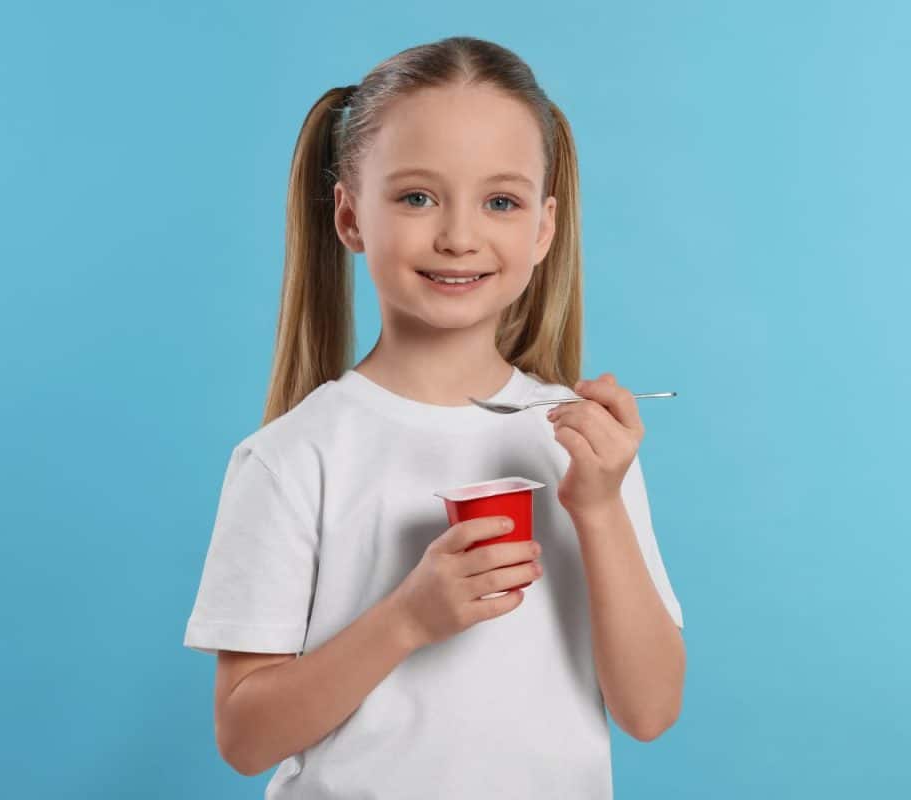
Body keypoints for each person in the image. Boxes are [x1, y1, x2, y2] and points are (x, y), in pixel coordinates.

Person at [182, 35, 686, 799]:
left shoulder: (584, 451)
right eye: (417, 196)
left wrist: (599, 507)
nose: (458, 235)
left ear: (543, 230)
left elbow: (650, 712)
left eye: (501, 201)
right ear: (350, 218)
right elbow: (245, 738)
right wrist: (407, 620)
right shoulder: (294, 457)